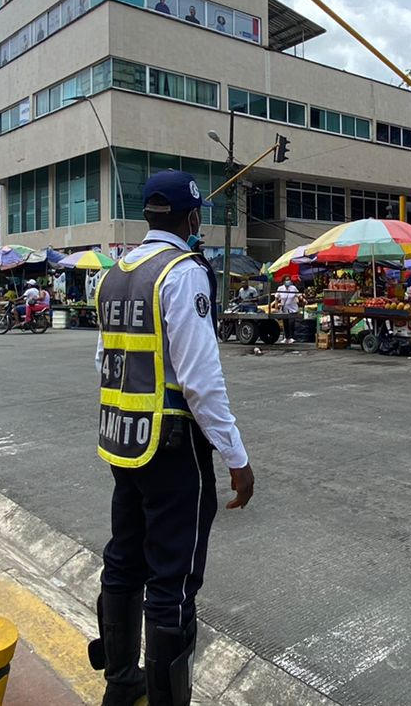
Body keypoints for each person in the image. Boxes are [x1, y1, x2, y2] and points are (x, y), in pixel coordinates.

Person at [88, 170, 253, 706]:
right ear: (190, 218)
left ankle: (121, 684)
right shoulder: (182, 273)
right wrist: (236, 457)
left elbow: (105, 360)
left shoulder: (114, 274)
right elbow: (201, 379)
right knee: (172, 584)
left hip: (123, 442)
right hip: (173, 445)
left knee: (123, 561)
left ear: (148, 214)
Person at [274, 279, 301, 343]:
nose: (288, 281)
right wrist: (276, 305)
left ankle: (291, 337)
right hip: (284, 309)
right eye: (286, 280)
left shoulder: (293, 288)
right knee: (285, 323)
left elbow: (298, 295)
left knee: (291, 323)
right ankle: (286, 338)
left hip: (293, 308)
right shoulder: (280, 288)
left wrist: (303, 299)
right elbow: (276, 297)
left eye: (289, 279)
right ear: (283, 281)